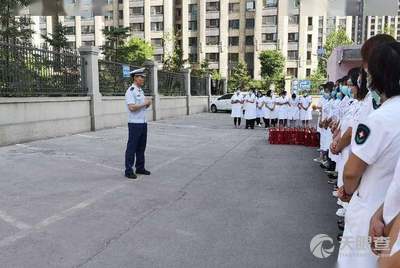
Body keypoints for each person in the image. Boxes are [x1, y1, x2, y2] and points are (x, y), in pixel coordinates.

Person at [338, 41, 400, 267]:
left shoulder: (379, 119)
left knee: (359, 261)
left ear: (375, 76)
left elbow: (352, 172)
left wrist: (347, 190)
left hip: (370, 215)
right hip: (391, 214)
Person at [124, 68, 152, 179]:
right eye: (141, 77)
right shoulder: (131, 91)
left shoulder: (140, 91)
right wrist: (144, 103)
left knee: (141, 147)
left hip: (143, 122)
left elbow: (143, 105)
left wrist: (148, 103)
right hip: (135, 123)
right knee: (132, 147)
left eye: (143, 77)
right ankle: (128, 170)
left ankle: (140, 167)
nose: (143, 79)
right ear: (135, 78)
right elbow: (131, 107)